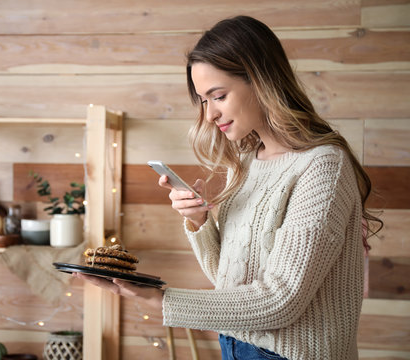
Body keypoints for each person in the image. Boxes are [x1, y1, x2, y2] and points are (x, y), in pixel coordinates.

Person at [74, 15, 382, 360]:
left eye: (218, 96)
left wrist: (157, 298)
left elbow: (280, 301)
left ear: (261, 81)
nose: (209, 115)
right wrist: (200, 222)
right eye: (203, 101)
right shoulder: (251, 160)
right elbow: (231, 282)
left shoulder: (323, 166)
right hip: (234, 345)